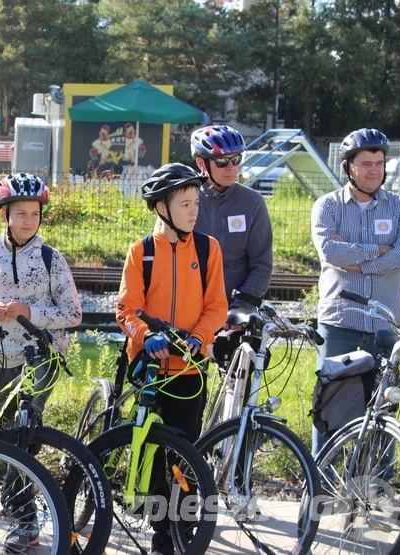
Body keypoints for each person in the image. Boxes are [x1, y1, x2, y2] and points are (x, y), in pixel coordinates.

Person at [0, 173, 82, 551]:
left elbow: (73, 313)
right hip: (1, 357)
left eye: (35, 213)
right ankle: (21, 507)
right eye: (21, 214)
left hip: (40, 356)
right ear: (5, 216)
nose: (29, 220)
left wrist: (31, 311)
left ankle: (25, 520)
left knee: (23, 431)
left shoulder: (51, 259)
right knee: (11, 433)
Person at [116, 163, 227, 555]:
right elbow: (126, 310)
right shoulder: (142, 252)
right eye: (185, 204)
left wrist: (200, 337)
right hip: (151, 369)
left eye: (196, 202)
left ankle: (182, 532)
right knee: (153, 452)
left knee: (186, 454)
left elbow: (216, 307)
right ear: (161, 207)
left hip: (189, 370)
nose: (194, 210)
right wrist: (145, 338)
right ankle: (161, 528)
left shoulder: (207, 248)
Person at [310, 128, 400, 455]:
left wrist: (360, 260)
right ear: (349, 167)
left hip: (385, 325)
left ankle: (376, 483)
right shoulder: (328, 207)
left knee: (384, 408)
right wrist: (382, 251)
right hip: (340, 322)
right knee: (331, 405)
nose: (374, 170)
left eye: (379, 163)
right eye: (366, 164)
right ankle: (321, 482)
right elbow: (331, 253)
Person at [190, 125, 273, 308]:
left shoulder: (253, 203)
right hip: (186, 312)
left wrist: (240, 307)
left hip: (234, 316)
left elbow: (261, 265)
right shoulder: (181, 200)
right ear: (201, 163)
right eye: (221, 161)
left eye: (236, 159)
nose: (231, 168)